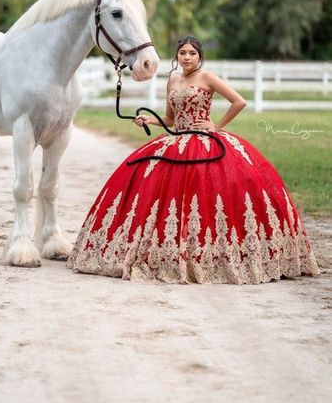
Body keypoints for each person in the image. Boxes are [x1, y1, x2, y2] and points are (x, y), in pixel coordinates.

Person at [68, 36, 319, 284]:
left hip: (205, 139)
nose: (187, 57)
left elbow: (238, 101)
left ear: (199, 56)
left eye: (192, 53)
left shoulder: (207, 78)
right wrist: (148, 120)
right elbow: (170, 120)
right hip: (177, 139)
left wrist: (215, 126)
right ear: (177, 56)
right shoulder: (173, 80)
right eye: (182, 53)